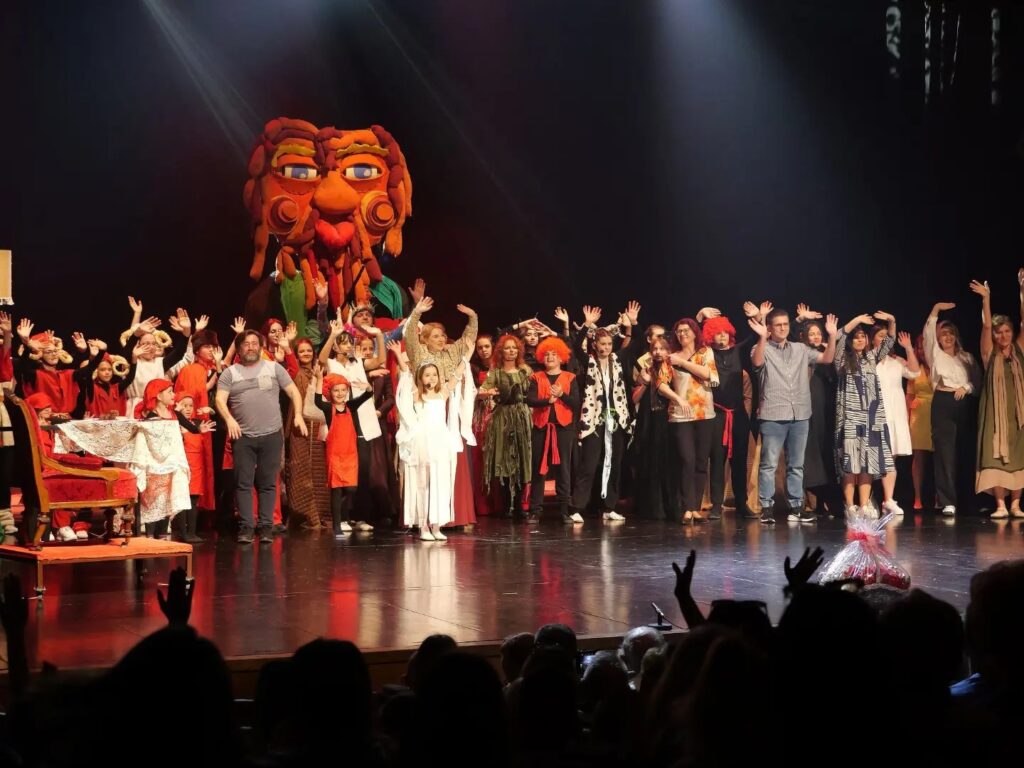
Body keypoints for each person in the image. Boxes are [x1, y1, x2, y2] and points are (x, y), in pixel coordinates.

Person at [215, 329, 307, 544]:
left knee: (268, 483)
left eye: (254, 343)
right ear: (239, 349)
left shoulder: (274, 368)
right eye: (246, 344)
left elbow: (294, 392)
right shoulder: (230, 373)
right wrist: (229, 419)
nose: (251, 347)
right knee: (244, 483)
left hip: (271, 435)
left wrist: (298, 415)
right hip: (243, 436)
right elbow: (219, 399)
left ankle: (266, 527)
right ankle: (246, 527)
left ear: (261, 347)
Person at [749, 305, 838, 524]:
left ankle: (796, 508)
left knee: (797, 464)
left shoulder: (800, 349)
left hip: (800, 414)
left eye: (785, 324)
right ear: (770, 328)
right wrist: (762, 338)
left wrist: (832, 336)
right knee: (769, 464)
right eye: (777, 325)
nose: (782, 328)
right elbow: (757, 362)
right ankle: (767, 508)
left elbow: (827, 358)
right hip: (773, 414)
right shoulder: (761, 348)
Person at [403, 296, 479, 529]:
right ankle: (424, 520)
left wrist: (472, 317)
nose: (441, 339)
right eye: (435, 336)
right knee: (426, 466)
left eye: (443, 335)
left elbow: (468, 342)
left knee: (450, 462)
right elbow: (409, 336)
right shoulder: (419, 354)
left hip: (448, 406)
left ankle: (451, 518)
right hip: (425, 408)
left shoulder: (450, 354)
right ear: (425, 339)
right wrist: (417, 312)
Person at [392, 341, 471, 541]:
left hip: (440, 442)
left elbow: (456, 376)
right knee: (422, 482)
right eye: (427, 375)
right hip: (422, 442)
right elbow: (406, 375)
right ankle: (423, 526)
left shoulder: (442, 394)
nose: (431, 378)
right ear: (421, 378)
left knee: (440, 482)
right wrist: (398, 355)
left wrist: (467, 356)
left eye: (434, 375)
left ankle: (437, 525)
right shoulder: (417, 395)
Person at [571, 306, 635, 522]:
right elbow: (575, 346)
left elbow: (633, 345)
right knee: (589, 465)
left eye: (609, 344)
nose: (606, 347)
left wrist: (631, 325)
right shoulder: (589, 362)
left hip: (616, 419)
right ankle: (577, 508)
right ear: (595, 345)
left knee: (615, 463)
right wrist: (587, 324)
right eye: (602, 344)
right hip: (594, 420)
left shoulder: (618, 360)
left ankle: (609, 507)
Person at [833, 312, 897, 517]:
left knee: (868, 462)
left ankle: (864, 505)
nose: (860, 340)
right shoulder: (842, 359)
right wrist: (857, 321)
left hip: (871, 419)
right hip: (851, 418)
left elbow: (890, 340)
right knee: (851, 463)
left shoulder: (871, 357)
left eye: (862, 337)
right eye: (856, 337)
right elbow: (839, 336)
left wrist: (891, 321)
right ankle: (850, 505)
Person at [971, 276, 1024, 519]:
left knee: (1019, 453)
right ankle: (1001, 505)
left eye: (1007, 331)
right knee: (996, 453)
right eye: (999, 332)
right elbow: (985, 327)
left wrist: (1022, 290)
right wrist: (986, 299)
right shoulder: (989, 352)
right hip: (995, 412)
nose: (1003, 336)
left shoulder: (1019, 351)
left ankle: (1016, 505)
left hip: (1018, 414)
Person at [923, 302, 982, 516]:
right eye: (943, 334)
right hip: (943, 402)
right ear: (938, 338)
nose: (947, 337)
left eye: (951, 333)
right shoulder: (935, 354)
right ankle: (947, 500)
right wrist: (935, 311)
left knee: (965, 451)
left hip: (963, 403)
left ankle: (967, 499)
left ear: (956, 336)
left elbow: (977, 383)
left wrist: (966, 387)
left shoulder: (967, 357)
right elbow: (928, 334)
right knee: (944, 453)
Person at [702, 311, 757, 520]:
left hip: (738, 415)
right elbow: (694, 340)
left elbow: (754, 336)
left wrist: (758, 317)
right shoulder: (707, 353)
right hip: (717, 414)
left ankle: (742, 503)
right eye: (718, 333)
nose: (723, 336)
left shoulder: (737, 351)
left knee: (740, 461)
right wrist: (700, 316)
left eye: (725, 332)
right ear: (711, 335)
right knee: (717, 460)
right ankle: (716, 504)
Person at [667, 317, 719, 524]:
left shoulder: (705, 352)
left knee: (700, 461)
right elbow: (661, 382)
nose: (682, 334)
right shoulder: (672, 356)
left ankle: (695, 507)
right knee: (687, 460)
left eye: (686, 330)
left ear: (695, 332)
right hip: (681, 415)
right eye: (679, 331)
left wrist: (683, 363)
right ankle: (686, 507)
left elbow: (708, 375)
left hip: (705, 413)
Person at [312, 367, 375, 536]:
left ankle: (340, 510)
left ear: (347, 391)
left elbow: (368, 395)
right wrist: (319, 379)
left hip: (350, 455)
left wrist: (367, 386)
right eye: (336, 390)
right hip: (335, 455)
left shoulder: (350, 406)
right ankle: (337, 525)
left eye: (343, 390)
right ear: (330, 392)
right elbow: (317, 401)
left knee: (351, 488)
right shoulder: (328, 409)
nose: (340, 393)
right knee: (337, 490)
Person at [524, 336, 579, 523]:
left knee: (564, 469)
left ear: (561, 357)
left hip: (564, 429)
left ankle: (564, 510)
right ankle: (535, 510)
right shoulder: (536, 377)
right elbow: (530, 400)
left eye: (554, 354)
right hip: (541, 427)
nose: (550, 357)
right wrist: (547, 401)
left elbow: (576, 403)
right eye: (547, 354)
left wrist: (561, 394)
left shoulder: (570, 378)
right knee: (539, 469)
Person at [478, 334, 534, 515]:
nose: (511, 351)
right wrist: (487, 393)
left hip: (521, 417)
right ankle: (504, 505)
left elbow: (534, 392)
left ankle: (519, 505)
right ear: (501, 351)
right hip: (502, 418)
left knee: (521, 458)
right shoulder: (495, 372)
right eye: (507, 348)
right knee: (503, 459)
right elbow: (481, 391)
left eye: (514, 348)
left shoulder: (525, 371)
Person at [282, 337, 331, 530]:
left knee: (318, 470)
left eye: (308, 350)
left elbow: (323, 360)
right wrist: (287, 348)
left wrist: (333, 335)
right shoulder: (294, 373)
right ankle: (304, 515)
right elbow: (292, 365)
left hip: (317, 424)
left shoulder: (319, 371)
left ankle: (321, 514)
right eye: (301, 351)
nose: (306, 354)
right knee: (300, 467)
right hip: (300, 423)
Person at [630, 336, 679, 521]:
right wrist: (644, 383)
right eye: (655, 349)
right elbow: (634, 399)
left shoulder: (673, 370)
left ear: (669, 351)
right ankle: (650, 507)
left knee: (667, 461)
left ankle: (670, 507)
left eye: (662, 348)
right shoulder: (646, 370)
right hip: (648, 419)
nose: (658, 352)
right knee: (648, 461)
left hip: (667, 418)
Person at [874, 327, 921, 516]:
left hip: (895, 412)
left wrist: (908, 348)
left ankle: (888, 499)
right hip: (877, 412)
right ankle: (868, 499)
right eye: (880, 336)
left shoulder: (897, 361)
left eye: (887, 337)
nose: (884, 339)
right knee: (873, 457)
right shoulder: (869, 360)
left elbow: (915, 373)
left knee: (890, 456)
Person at [909, 333, 935, 510]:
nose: (922, 351)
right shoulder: (914, 368)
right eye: (919, 347)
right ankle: (917, 497)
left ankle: (939, 496)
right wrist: (907, 414)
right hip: (918, 415)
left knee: (940, 458)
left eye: (924, 347)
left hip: (937, 411)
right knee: (918, 458)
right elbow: (909, 395)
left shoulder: (938, 365)